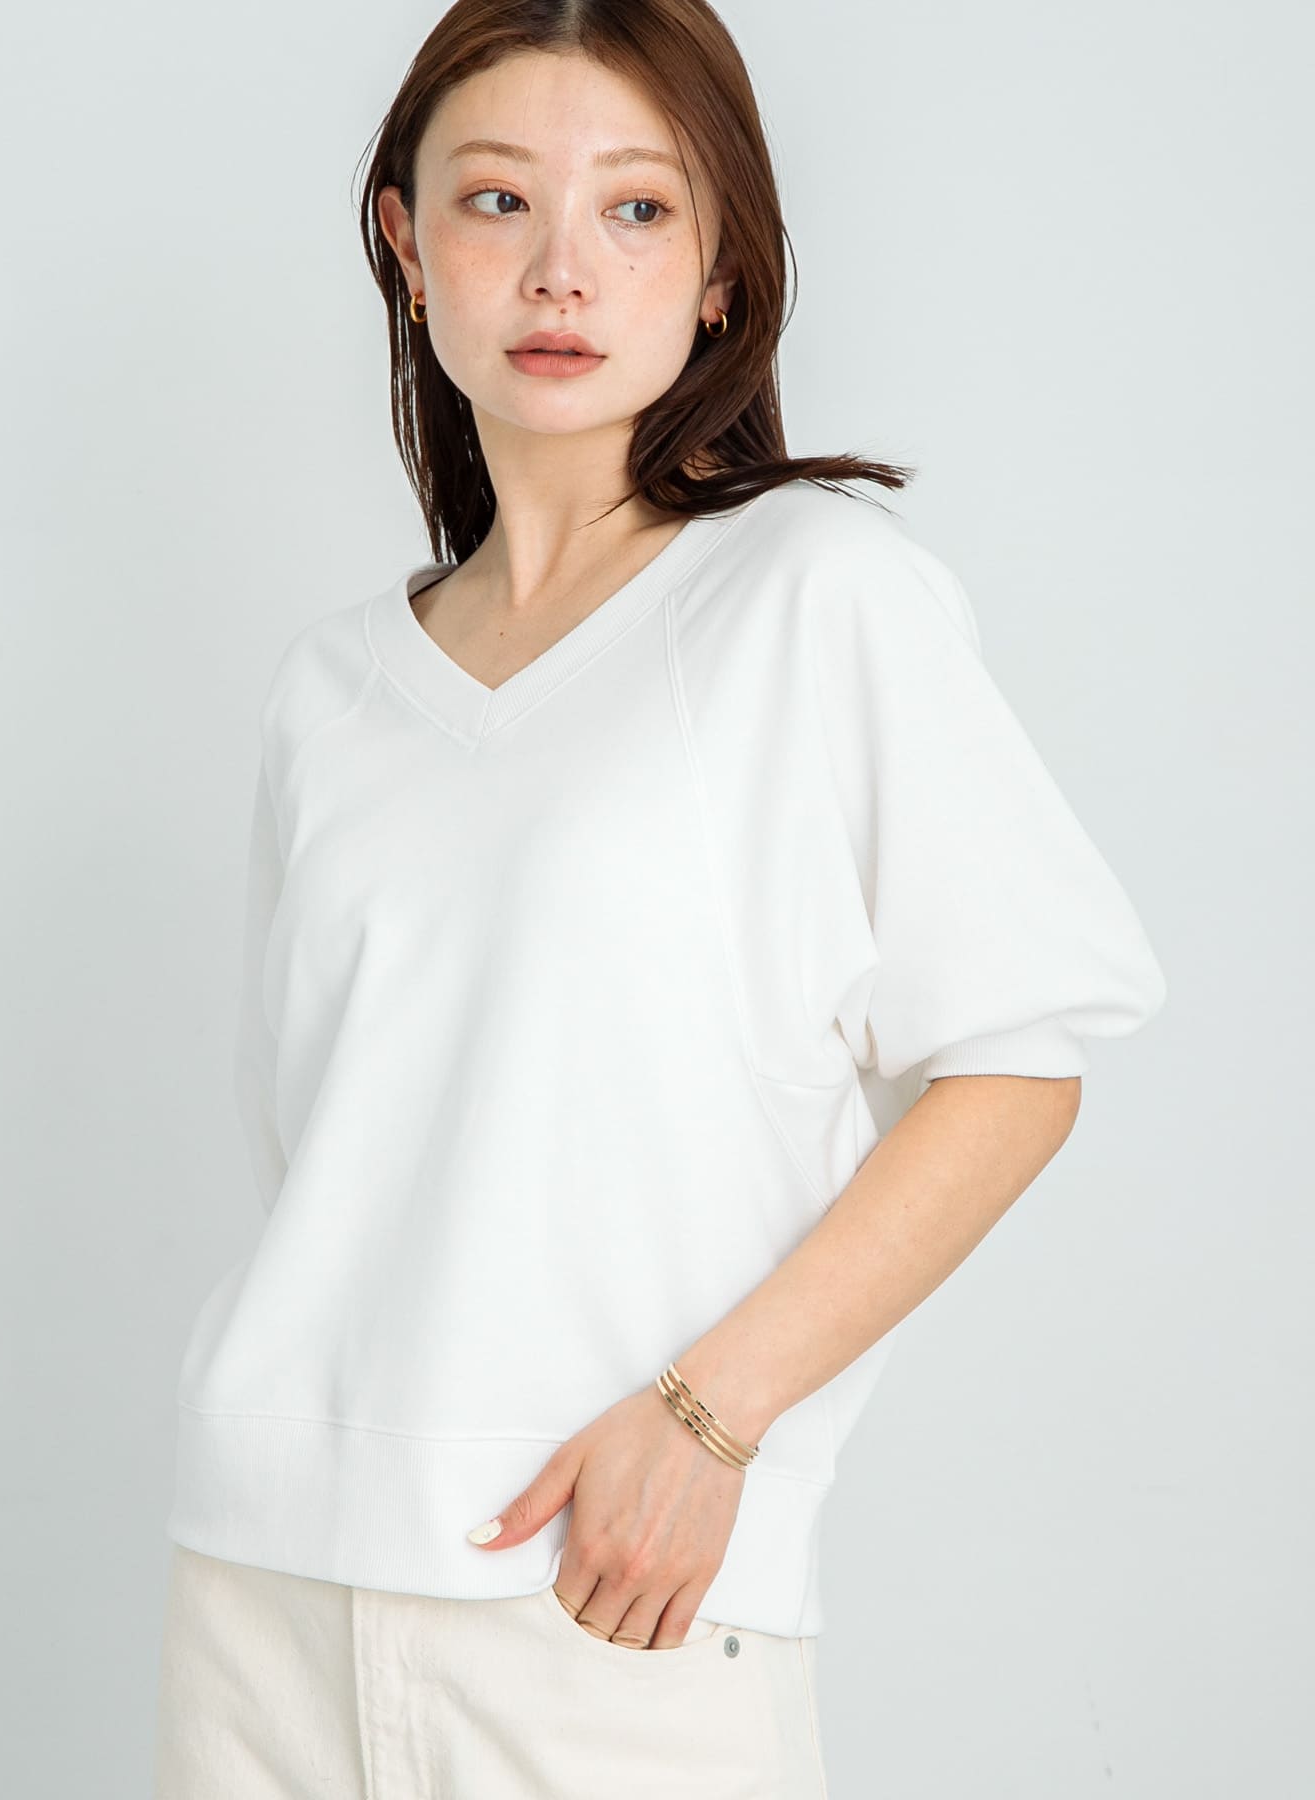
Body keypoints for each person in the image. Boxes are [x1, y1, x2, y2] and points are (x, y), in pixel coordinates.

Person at [151, 2, 1167, 1795]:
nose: (561, 269)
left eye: (636, 208)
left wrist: (711, 1421)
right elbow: (325, 1150)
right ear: (405, 242)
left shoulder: (813, 597)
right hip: (263, 1583)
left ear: (720, 270)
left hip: (608, 1598)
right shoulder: (331, 690)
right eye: (496, 201)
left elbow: (1017, 1067)